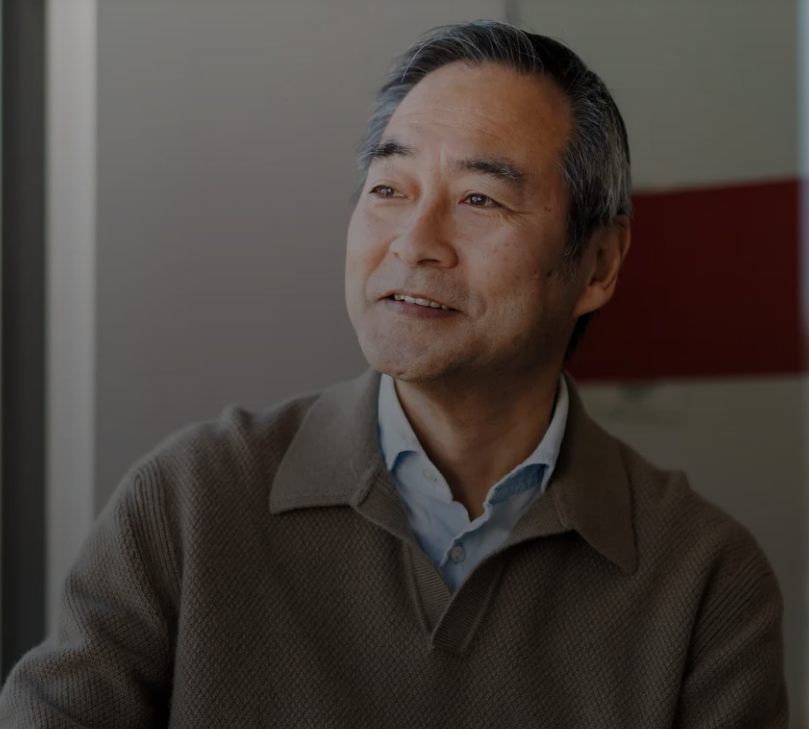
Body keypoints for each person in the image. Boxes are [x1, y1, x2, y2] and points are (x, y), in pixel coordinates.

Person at [0, 20, 788, 728]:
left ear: (600, 261)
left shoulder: (703, 578)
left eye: (479, 198)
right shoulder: (190, 500)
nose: (413, 241)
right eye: (388, 189)